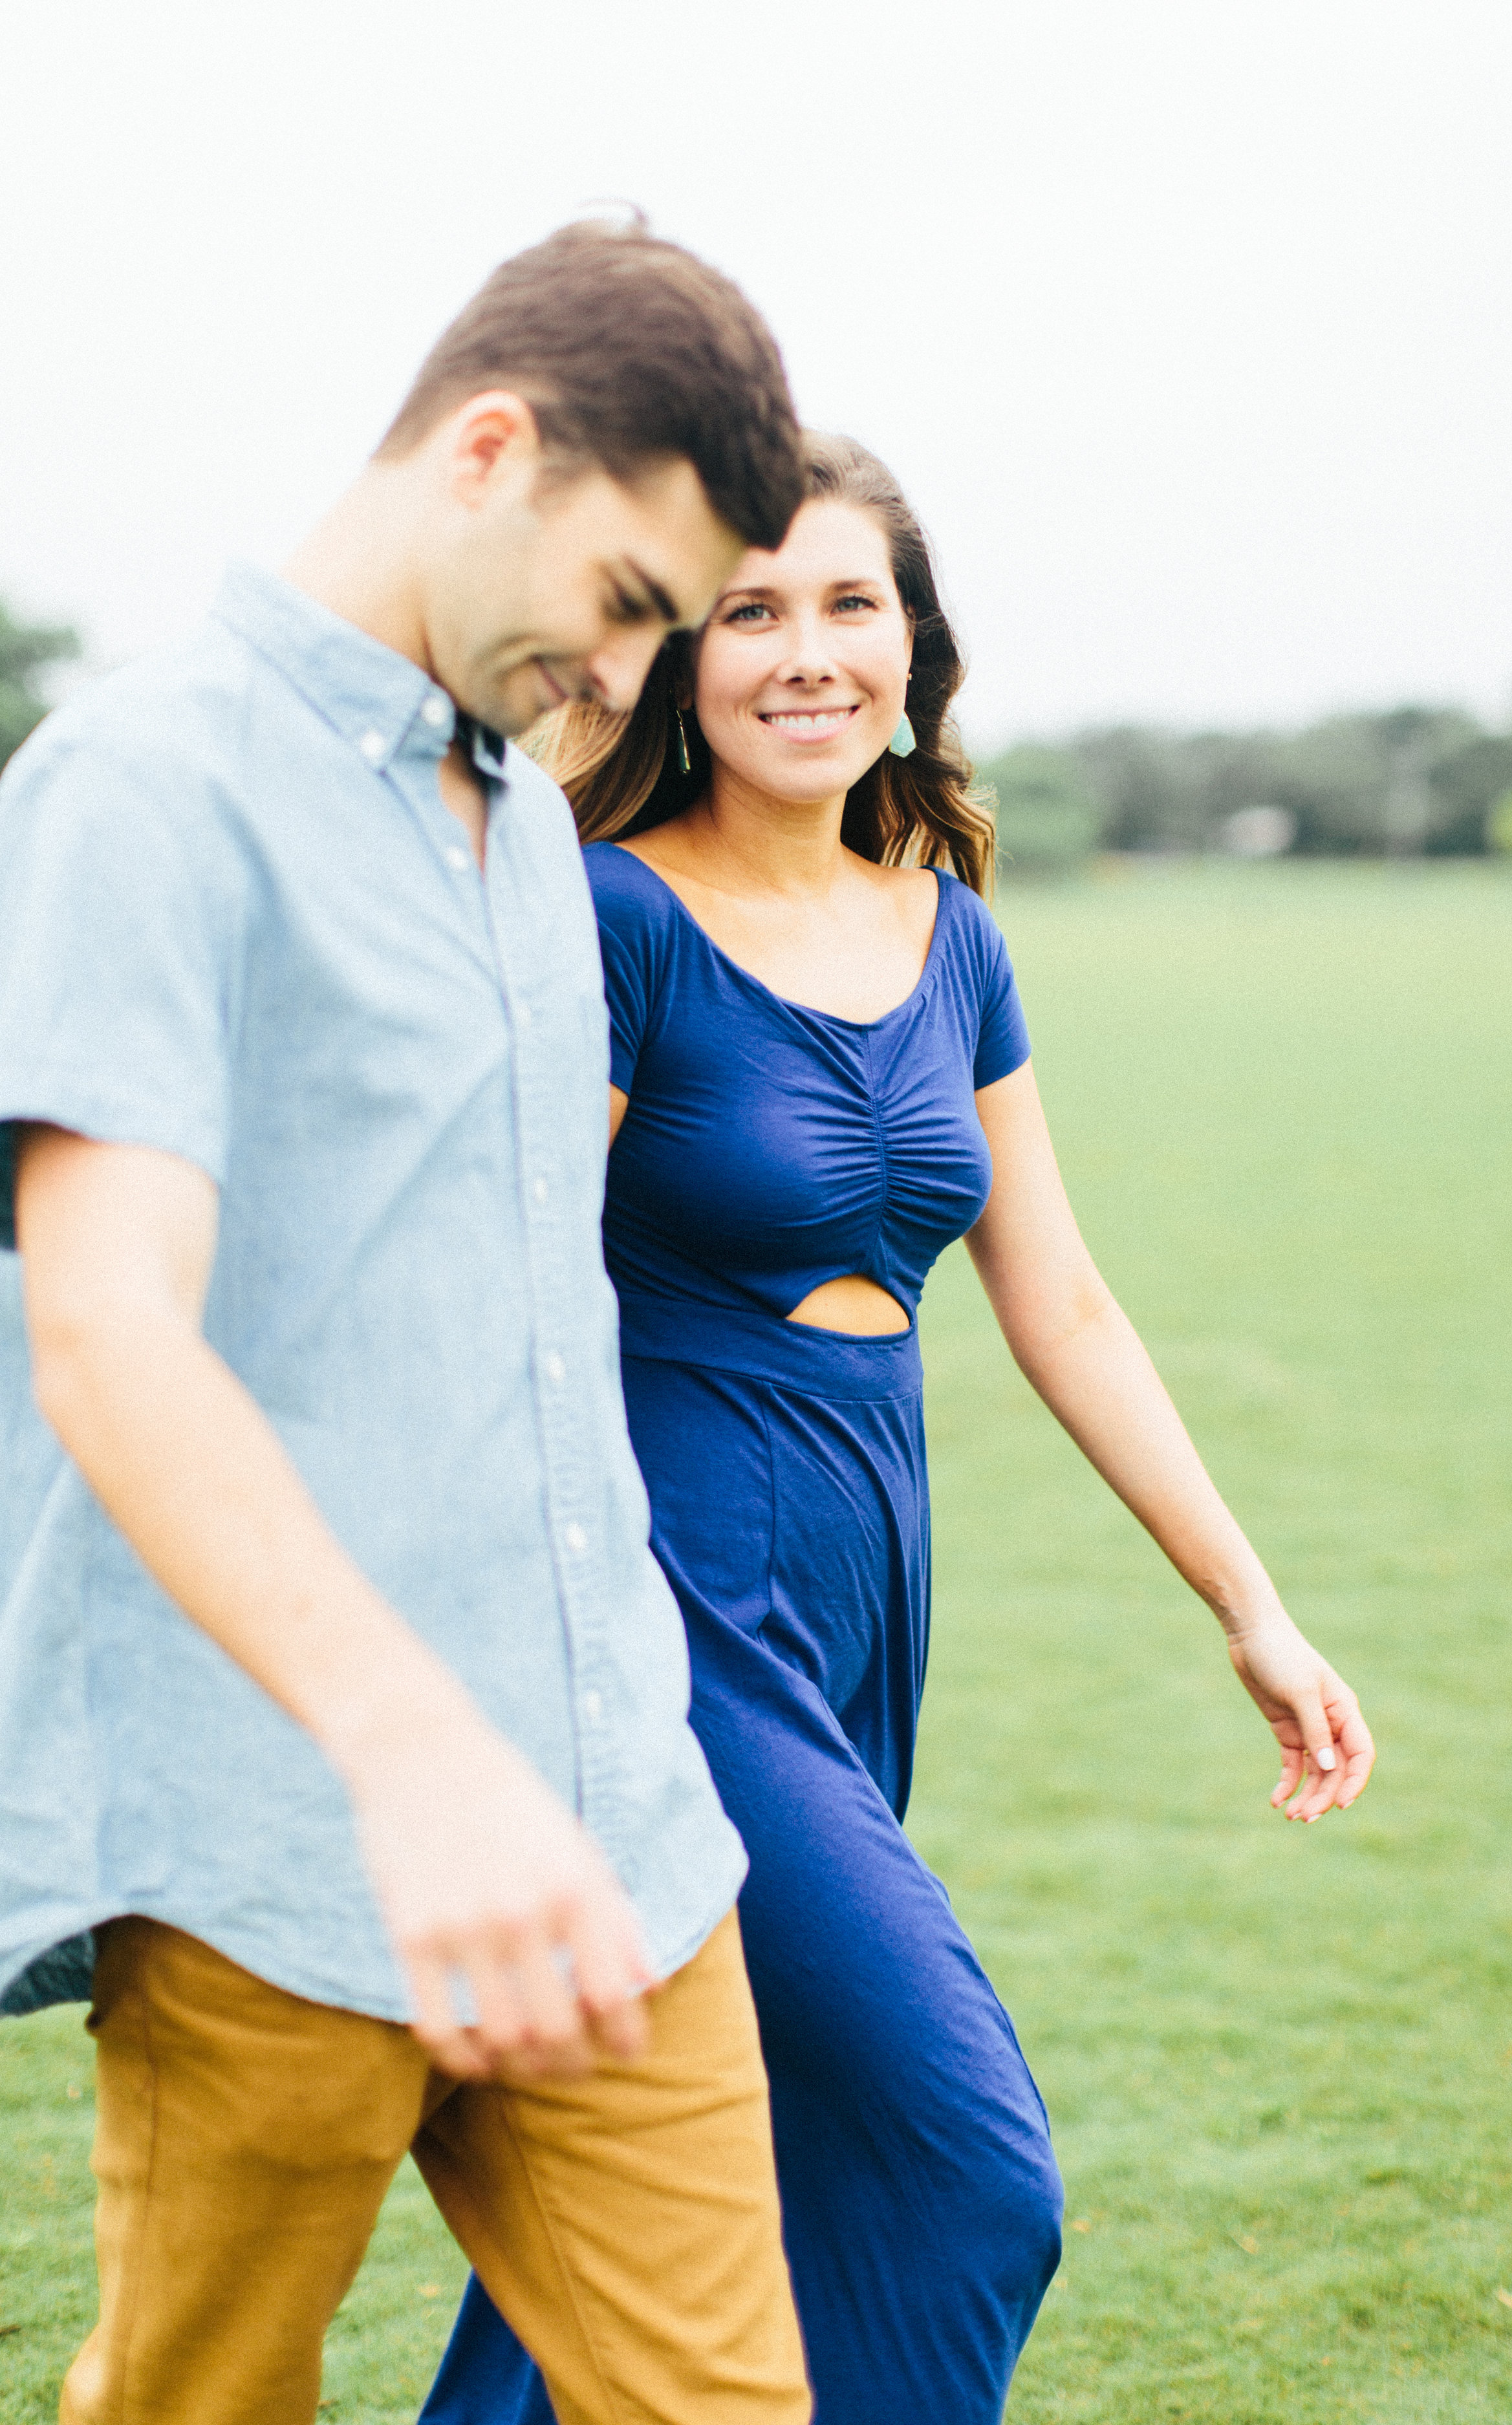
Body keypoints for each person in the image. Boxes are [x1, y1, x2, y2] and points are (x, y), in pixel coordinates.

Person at [422, 435, 1378, 2425]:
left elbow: (1065, 1302)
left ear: (914, 649)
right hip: (675, 1612)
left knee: (694, 2154)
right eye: (748, 612)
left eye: (849, 605)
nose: (803, 653)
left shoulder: (950, 929)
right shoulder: (611, 920)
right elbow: (501, 1295)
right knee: (960, 2174)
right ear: (680, 661)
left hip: (865, 1590)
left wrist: (1250, 1607)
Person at [0, 222, 817, 2425]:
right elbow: (106, 1332)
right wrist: (412, 1747)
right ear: (490, 451)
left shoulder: (531, 831)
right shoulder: (139, 786)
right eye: (634, 604)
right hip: (276, 1850)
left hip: (617, 1842)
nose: (632, 678)